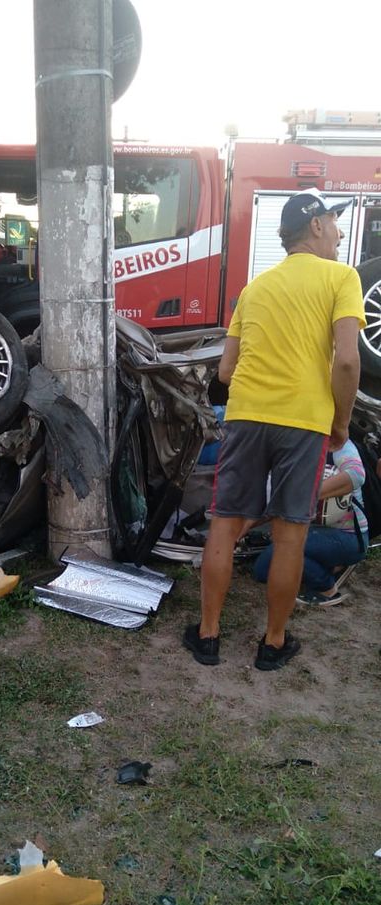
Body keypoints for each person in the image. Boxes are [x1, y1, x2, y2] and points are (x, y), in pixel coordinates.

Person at [183, 189, 366, 670]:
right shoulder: (342, 278)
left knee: (225, 524)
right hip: (303, 422)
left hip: (245, 416)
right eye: (334, 222)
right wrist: (340, 424)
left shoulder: (254, 289)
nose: (339, 232)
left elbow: (226, 371)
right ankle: (274, 643)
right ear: (316, 226)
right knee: (290, 536)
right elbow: (348, 360)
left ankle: (208, 635)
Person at [252, 439, 368, 605]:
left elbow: (356, 475)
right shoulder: (299, 445)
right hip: (318, 531)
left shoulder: (340, 445)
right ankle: (330, 565)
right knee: (262, 570)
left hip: (350, 537)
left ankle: (326, 588)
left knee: (273, 558)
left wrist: (307, 495)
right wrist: (239, 530)